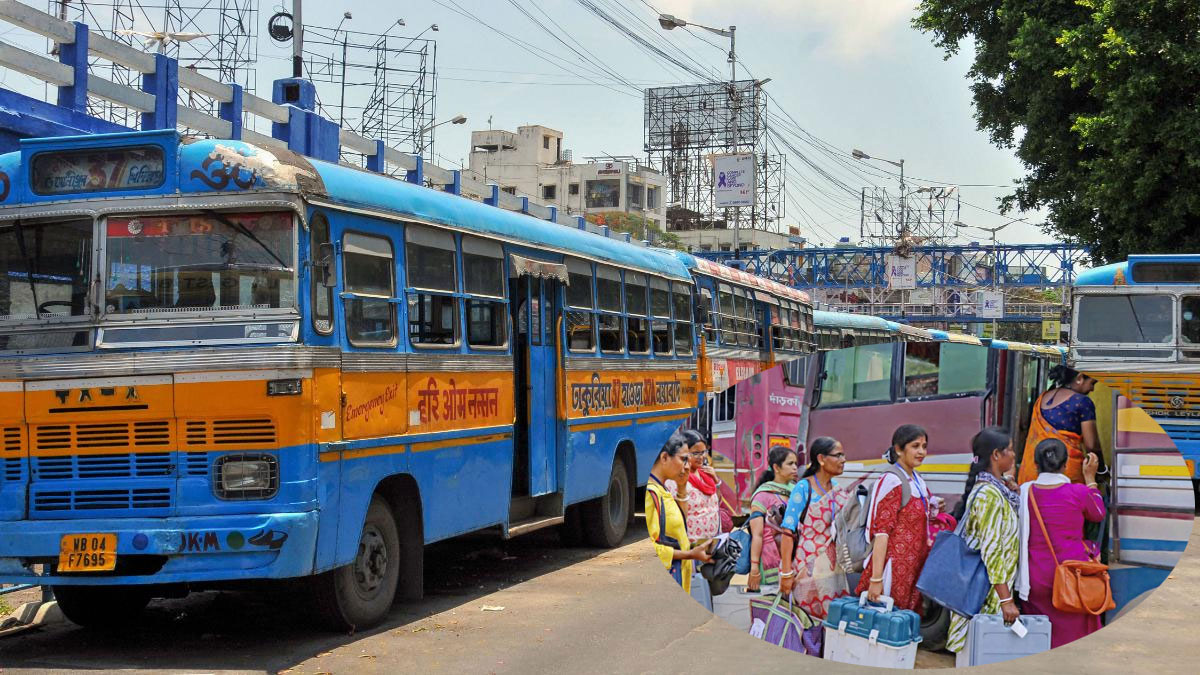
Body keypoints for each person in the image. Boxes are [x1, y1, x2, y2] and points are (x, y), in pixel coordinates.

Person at [1017, 439, 1106, 649]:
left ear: (1036, 464)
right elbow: (1099, 512)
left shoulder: (1024, 493)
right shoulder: (1079, 493)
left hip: (1036, 579)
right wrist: (1090, 478)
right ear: (1066, 465)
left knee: (1041, 642)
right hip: (1074, 578)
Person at [946, 428, 1022, 655]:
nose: (1014, 455)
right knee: (979, 654)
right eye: (1010, 450)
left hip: (993, 592)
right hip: (986, 595)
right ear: (996, 455)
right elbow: (992, 551)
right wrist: (1005, 599)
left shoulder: (999, 490)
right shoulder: (988, 495)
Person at [858, 424, 936, 613]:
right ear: (899, 450)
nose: (921, 452)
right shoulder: (892, 480)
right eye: (915, 446)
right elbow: (881, 533)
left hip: (912, 567)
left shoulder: (917, 479)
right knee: (886, 624)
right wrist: (876, 579)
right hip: (893, 568)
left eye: (924, 446)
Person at [778, 437, 852, 620]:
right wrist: (787, 573)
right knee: (807, 620)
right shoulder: (803, 488)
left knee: (832, 619)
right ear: (821, 459)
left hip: (832, 568)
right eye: (838, 455)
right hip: (807, 567)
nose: (843, 460)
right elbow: (788, 531)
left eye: (843, 455)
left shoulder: (837, 489)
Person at [646, 436, 713, 594]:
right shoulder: (652, 494)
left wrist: (682, 488)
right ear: (664, 457)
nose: (688, 466)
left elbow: (681, 524)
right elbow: (649, 550)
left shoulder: (664, 490)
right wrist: (689, 554)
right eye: (683, 459)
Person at [1018, 365, 1102, 485]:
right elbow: (1092, 445)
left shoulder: (1042, 398)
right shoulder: (1083, 402)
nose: (1092, 389)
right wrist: (1101, 469)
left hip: (1032, 475)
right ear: (1079, 378)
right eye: (1092, 383)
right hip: (1065, 476)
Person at [745, 445, 799, 592]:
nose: (795, 468)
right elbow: (757, 534)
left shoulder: (797, 491)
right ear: (776, 467)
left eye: (796, 463)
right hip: (771, 558)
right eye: (790, 464)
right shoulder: (762, 495)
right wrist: (754, 567)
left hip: (794, 556)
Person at [662, 429, 722, 540]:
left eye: (703, 452)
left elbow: (717, 502)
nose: (701, 457)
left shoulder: (706, 474)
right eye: (695, 453)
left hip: (711, 544)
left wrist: (716, 480)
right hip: (690, 547)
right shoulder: (675, 480)